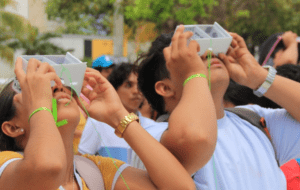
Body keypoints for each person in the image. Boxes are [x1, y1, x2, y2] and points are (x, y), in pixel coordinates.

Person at [0, 52, 200, 189]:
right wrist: (41, 105)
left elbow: (181, 187)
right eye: (31, 89)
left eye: (61, 83)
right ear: (12, 127)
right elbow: (47, 168)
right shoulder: (6, 165)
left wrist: (118, 116)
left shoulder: (94, 171)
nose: (57, 87)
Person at [136, 25, 300, 189]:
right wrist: (194, 74)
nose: (208, 54)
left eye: (209, 49)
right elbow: (195, 137)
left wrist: (259, 77)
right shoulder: (152, 136)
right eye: (190, 58)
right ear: (165, 88)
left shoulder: (254, 120)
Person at [78, 63, 158, 163]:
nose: (136, 91)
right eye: (128, 85)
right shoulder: (98, 123)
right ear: (113, 89)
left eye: (140, 85)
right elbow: (82, 162)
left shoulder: (154, 127)